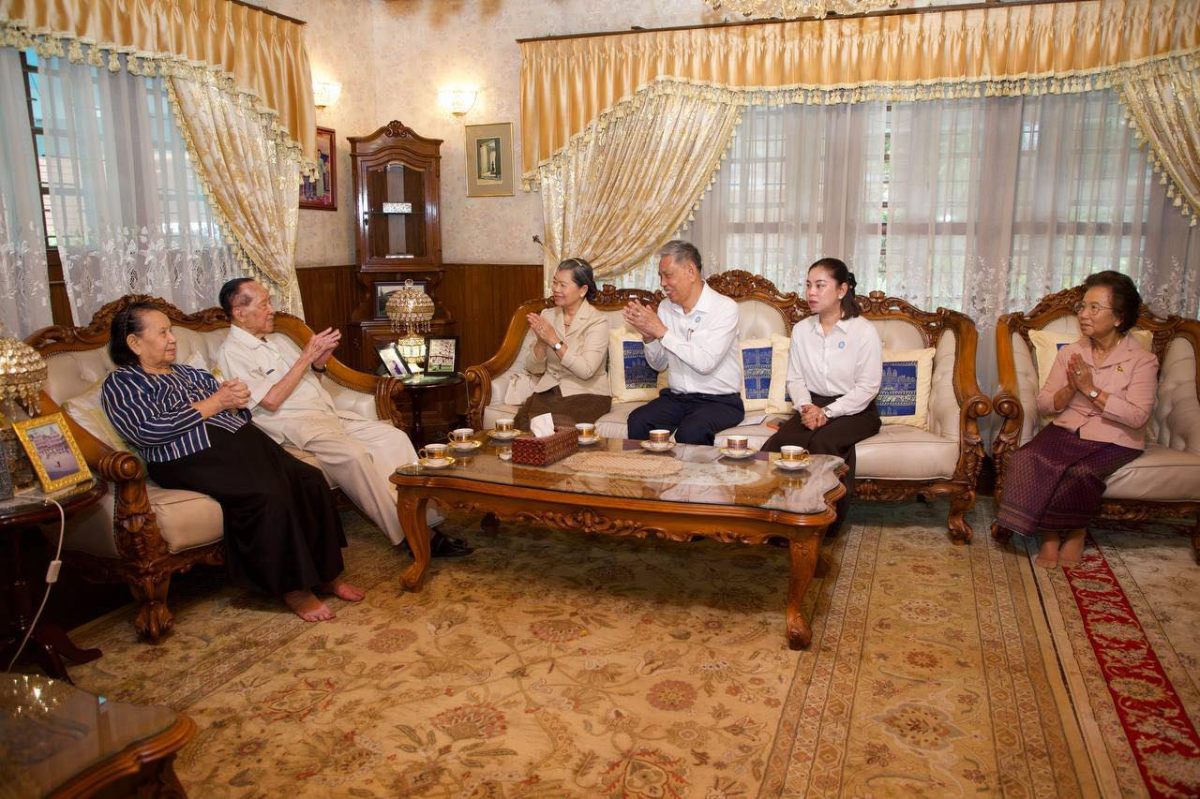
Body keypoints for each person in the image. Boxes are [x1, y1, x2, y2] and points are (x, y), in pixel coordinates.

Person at [101, 302, 362, 622]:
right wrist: (215, 403)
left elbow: (235, 410)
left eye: (171, 331)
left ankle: (326, 575)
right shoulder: (123, 382)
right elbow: (147, 431)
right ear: (134, 343)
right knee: (267, 493)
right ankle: (293, 588)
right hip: (187, 456)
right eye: (163, 332)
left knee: (309, 479)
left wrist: (236, 401)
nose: (172, 338)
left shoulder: (189, 372)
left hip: (241, 442)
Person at [216, 278, 472, 558]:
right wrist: (306, 358)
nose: (271, 309)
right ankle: (410, 534)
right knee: (355, 457)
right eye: (264, 303)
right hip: (294, 425)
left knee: (394, 438)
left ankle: (425, 519)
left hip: (327, 414)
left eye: (270, 302)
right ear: (239, 312)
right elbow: (271, 401)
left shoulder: (277, 340)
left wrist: (318, 363)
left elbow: (305, 382)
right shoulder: (232, 352)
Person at [994, 270, 1158, 568]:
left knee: (1081, 472)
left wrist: (1091, 390)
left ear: (1118, 317)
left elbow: (1137, 416)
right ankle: (1049, 535)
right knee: (1027, 457)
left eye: (1095, 308)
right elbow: (1045, 405)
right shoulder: (1071, 352)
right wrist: (1070, 388)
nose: (1083, 314)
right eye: (1082, 307)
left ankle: (1075, 532)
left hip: (1116, 437)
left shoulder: (1142, 360)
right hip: (1068, 428)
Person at [762, 258, 882, 534]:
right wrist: (807, 408)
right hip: (812, 405)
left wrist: (827, 413)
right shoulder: (803, 330)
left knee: (824, 441)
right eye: (808, 286)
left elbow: (867, 388)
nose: (811, 293)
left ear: (842, 290)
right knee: (779, 443)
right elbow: (795, 378)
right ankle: (775, 518)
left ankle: (823, 524)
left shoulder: (863, 331)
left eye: (819, 286)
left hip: (856, 408)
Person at [623, 240, 743, 445]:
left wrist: (661, 332)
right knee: (639, 420)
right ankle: (646, 467)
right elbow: (659, 364)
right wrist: (649, 337)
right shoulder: (665, 308)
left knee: (692, 431)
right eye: (660, 276)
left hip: (720, 401)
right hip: (677, 398)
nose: (662, 283)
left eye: (668, 275)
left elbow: (706, 363)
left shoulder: (724, 308)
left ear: (690, 272)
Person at [515, 258, 611, 431]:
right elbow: (534, 369)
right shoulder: (548, 315)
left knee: (555, 428)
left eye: (563, 285)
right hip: (550, 390)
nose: (556, 289)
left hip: (587, 394)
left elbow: (586, 371)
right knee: (522, 425)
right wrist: (541, 342)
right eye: (554, 283)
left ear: (582, 290)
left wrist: (553, 340)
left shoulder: (597, 321)